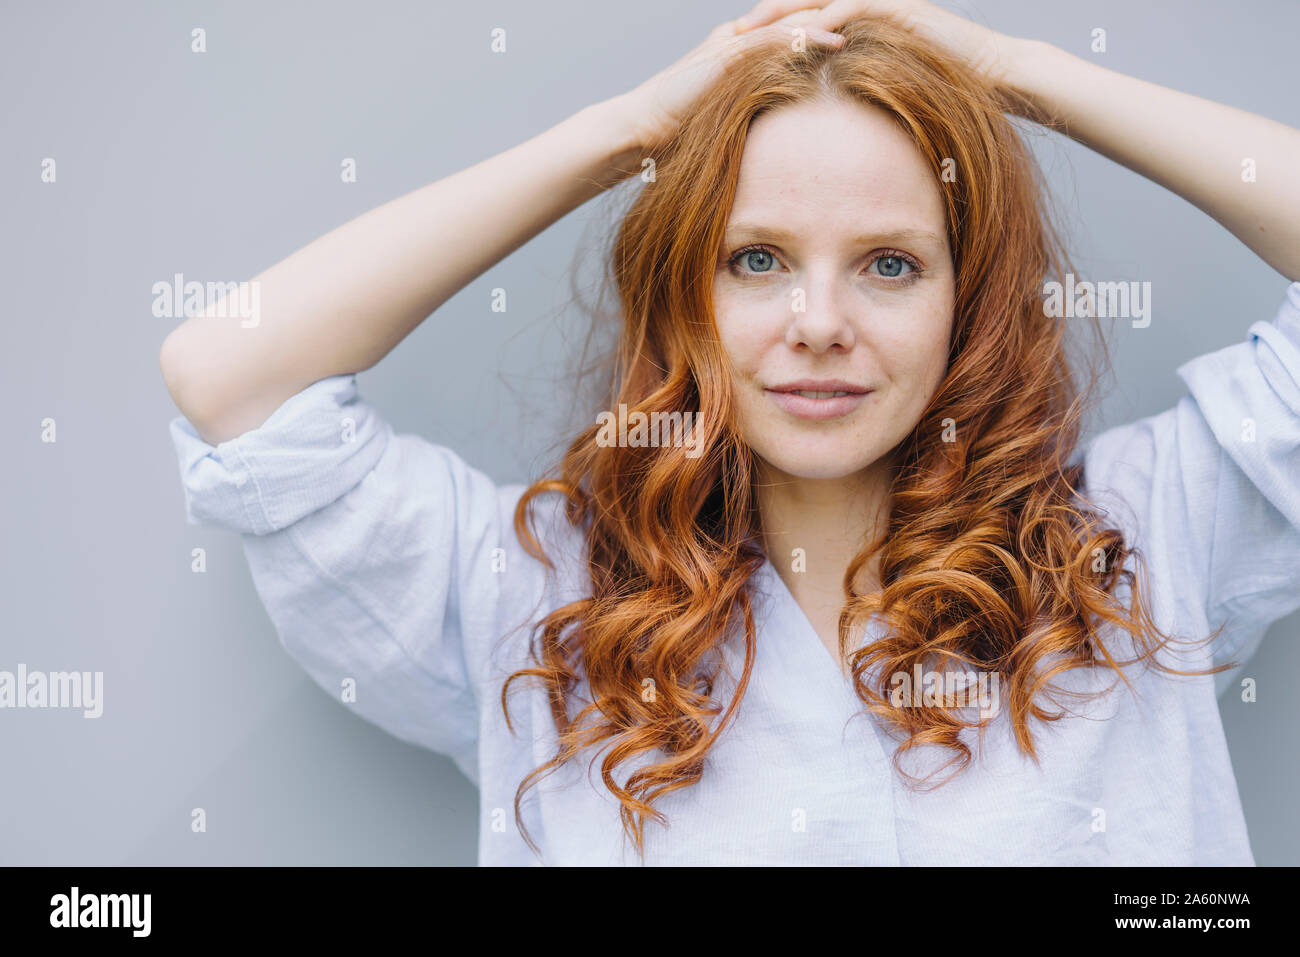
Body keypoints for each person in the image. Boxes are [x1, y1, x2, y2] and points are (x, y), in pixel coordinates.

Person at [159, 0, 1300, 865]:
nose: (818, 326)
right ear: (683, 294)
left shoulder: (1143, 542)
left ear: (971, 300)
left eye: (890, 265)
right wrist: (624, 135)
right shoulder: (531, 597)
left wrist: (1020, 78)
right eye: (754, 259)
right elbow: (229, 374)